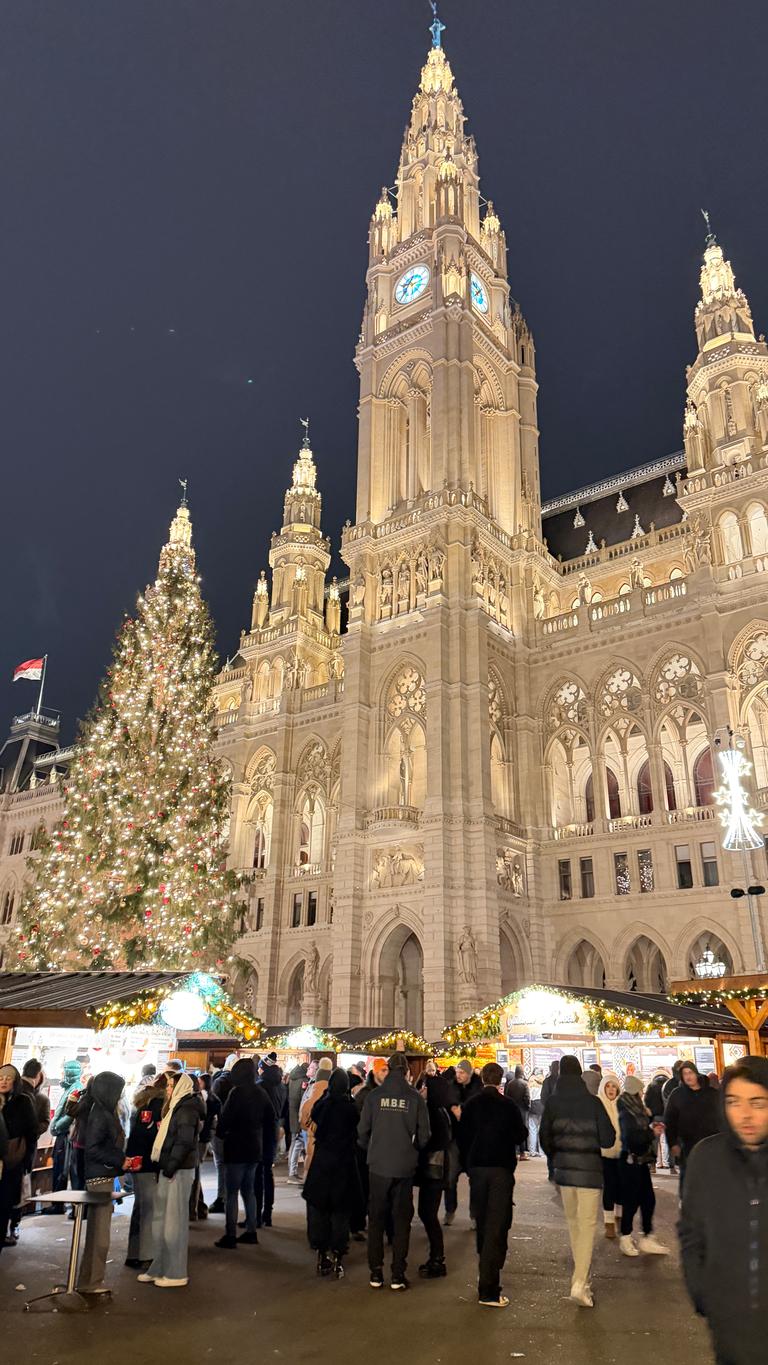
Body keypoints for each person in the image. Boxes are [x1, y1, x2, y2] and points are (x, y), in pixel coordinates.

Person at [680, 1056, 768, 1365]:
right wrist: (702, 1292)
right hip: (729, 1323)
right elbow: (690, 1230)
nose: (745, 1114)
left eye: (757, 1103)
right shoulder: (707, 1158)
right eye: (734, 1101)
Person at [540, 1054, 615, 1308]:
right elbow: (608, 1139)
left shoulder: (552, 1103)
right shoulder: (592, 1103)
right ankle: (580, 1282)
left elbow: (544, 1140)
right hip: (590, 1173)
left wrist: (558, 1156)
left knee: (574, 1225)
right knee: (586, 1226)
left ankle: (582, 1278)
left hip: (565, 1174)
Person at [358, 1052, 430, 1290]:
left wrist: (373, 1148)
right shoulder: (415, 1099)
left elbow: (362, 1131)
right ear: (407, 1072)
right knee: (401, 1221)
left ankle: (375, 1273)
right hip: (404, 1167)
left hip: (378, 1166)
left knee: (377, 1219)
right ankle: (398, 1274)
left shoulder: (374, 1096)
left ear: (388, 1069)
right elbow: (424, 1136)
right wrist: (412, 1151)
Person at [458, 1062, 527, 1308]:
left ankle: (484, 1271)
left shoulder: (471, 1105)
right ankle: (489, 1288)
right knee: (497, 1226)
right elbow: (521, 1135)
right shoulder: (508, 1106)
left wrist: (467, 1164)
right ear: (500, 1081)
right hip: (500, 1170)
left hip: (477, 1170)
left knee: (483, 1221)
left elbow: (462, 1137)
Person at [139, 1067, 204, 1287]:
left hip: (178, 1169)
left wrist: (171, 1165)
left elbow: (184, 1142)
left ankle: (176, 1272)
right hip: (168, 1167)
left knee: (173, 1222)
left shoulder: (186, 1109)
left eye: (170, 1085)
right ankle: (159, 1266)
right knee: (161, 1221)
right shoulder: (175, 1107)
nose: (167, 1089)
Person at [302, 1068, 360, 1278]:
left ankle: (321, 1254)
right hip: (344, 1164)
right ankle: (338, 1257)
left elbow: (313, 1116)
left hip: (322, 1163)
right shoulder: (351, 1108)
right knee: (340, 1213)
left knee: (320, 1210)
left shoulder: (323, 1105)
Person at [74, 1071, 128, 1295]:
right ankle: (91, 1283)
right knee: (99, 1235)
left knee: (98, 1233)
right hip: (100, 1178)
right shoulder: (100, 1113)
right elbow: (94, 1148)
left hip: (102, 1175)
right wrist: (121, 1160)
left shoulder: (101, 1110)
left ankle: (88, 1280)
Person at [215, 1056, 271, 1249]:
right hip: (254, 1147)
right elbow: (270, 1120)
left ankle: (230, 1235)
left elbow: (225, 1120)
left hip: (236, 1147)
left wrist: (221, 1133)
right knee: (249, 1191)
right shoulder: (261, 1093)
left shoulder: (236, 1093)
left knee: (232, 1193)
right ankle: (251, 1230)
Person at [616, 1075, 668, 1257]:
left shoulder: (636, 1109)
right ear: (635, 1091)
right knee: (631, 1201)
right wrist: (651, 1133)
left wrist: (650, 1123)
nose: (642, 1093)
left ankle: (647, 1237)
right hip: (630, 1161)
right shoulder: (626, 1111)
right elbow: (630, 1137)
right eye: (641, 1090)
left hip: (640, 1160)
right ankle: (625, 1237)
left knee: (647, 1199)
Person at [125, 1071, 167, 1269]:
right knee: (149, 1210)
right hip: (149, 1164)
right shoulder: (159, 1107)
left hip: (137, 1162)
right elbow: (155, 1137)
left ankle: (133, 1252)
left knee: (140, 1208)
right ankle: (145, 1256)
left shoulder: (142, 1105)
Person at [6, 1059, 51, 1246]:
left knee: (13, 1191)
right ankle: (13, 1227)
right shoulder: (37, 1098)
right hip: (22, 1152)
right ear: (39, 1075)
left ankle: (12, 1226)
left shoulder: (36, 1098)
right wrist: (29, 1133)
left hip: (17, 1150)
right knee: (16, 1192)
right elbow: (43, 1124)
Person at [415, 1071, 452, 1278]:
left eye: (426, 1086)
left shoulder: (432, 1113)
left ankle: (437, 1259)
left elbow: (426, 1140)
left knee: (428, 1214)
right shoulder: (442, 1111)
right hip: (437, 1171)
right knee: (427, 1214)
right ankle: (436, 1257)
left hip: (433, 1171)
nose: (423, 1089)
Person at [664, 1060, 721, 1189]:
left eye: (690, 1072)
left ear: (696, 1073)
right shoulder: (677, 1095)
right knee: (689, 1180)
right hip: (687, 1145)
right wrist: (672, 1143)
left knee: (710, 1180)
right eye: (685, 1074)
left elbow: (721, 1117)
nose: (688, 1076)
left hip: (710, 1144)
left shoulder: (711, 1094)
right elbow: (670, 1120)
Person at [0, 1064, 38, 1255]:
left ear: (15, 1081)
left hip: (12, 1161)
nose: (4, 1081)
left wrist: (27, 1162)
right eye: (1, 1077)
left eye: (8, 1078)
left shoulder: (23, 1101)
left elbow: (32, 1132)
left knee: (5, 1203)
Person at [444, 1059, 482, 1225]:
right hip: (454, 1139)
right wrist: (454, 1107)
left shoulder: (478, 1087)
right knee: (450, 1177)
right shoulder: (452, 1085)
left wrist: (462, 1110)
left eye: (462, 1073)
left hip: (473, 1140)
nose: (458, 1076)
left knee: (474, 1179)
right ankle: (450, 1210)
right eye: (457, 1072)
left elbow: (477, 1105)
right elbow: (448, 1101)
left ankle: (474, 1214)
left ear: (470, 1073)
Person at [48, 1059, 83, 1210]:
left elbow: (70, 1114)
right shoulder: (71, 1088)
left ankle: (59, 1204)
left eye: (64, 1071)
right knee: (63, 1168)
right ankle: (60, 1203)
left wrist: (56, 1126)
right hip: (64, 1134)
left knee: (63, 1169)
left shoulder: (76, 1089)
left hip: (66, 1135)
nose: (62, 1073)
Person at [255, 1061, 281, 1227]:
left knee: (257, 1175)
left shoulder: (261, 1087)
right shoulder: (280, 1086)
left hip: (260, 1134)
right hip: (273, 1133)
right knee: (267, 1173)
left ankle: (256, 1214)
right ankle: (268, 1214)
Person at [299, 1056, 334, 1176]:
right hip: (329, 1142)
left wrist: (308, 1126)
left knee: (311, 1159)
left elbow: (303, 1120)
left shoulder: (311, 1095)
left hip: (312, 1138)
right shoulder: (335, 1097)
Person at [597, 1071, 622, 1239]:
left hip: (622, 1152)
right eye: (608, 1086)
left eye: (614, 1086)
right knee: (609, 1187)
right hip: (604, 1153)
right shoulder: (598, 1104)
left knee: (622, 1186)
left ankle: (619, 1216)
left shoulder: (623, 1104)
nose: (611, 1089)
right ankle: (609, 1222)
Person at [287, 1059, 313, 1182]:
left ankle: (292, 1170)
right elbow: (303, 1101)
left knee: (295, 1142)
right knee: (297, 1143)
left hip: (292, 1114)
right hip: (299, 1116)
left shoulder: (292, 1078)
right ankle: (292, 1171)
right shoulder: (304, 1081)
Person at [503, 1065, 530, 1160]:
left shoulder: (510, 1083)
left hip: (512, 1109)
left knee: (512, 1129)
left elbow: (506, 1096)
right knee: (521, 1130)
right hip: (522, 1109)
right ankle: (522, 1153)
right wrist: (528, 1107)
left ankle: (513, 1152)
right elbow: (527, 1097)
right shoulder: (525, 1084)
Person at [541, 1059, 560, 1181]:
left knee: (551, 1143)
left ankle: (551, 1171)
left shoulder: (547, 1081)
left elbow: (543, 1098)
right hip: (561, 1116)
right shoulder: (563, 1081)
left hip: (550, 1116)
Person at [527, 1070, 544, 1156]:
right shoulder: (543, 1085)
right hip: (542, 1107)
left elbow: (528, 1098)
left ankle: (532, 1151)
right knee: (541, 1130)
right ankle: (542, 1151)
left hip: (533, 1107)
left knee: (532, 1129)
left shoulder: (531, 1085)